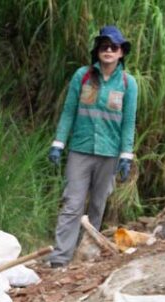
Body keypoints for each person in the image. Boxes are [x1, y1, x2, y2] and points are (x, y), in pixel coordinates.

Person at [47, 26, 138, 268]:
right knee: (72, 204)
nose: (108, 50)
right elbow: (69, 112)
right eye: (104, 46)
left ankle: (86, 256)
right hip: (80, 149)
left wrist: (126, 155)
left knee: (98, 206)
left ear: (121, 52)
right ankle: (60, 258)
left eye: (113, 47)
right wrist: (58, 143)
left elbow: (129, 122)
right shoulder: (83, 76)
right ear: (97, 50)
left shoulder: (128, 83)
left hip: (109, 153)